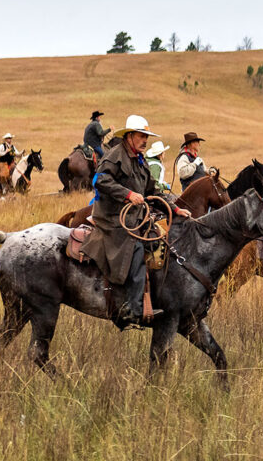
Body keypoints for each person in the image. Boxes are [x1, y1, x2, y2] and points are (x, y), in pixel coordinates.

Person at [82, 114, 192, 327]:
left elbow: (154, 191)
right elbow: (101, 180)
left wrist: (175, 208)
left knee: (158, 242)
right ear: (130, 136)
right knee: (137, 248)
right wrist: (127, 194)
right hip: (113, 218)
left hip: (134, 217)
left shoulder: (140, 163)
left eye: (146, 137)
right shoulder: (115, 156)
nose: (145, 140)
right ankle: (132, 308)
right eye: (141, 136)